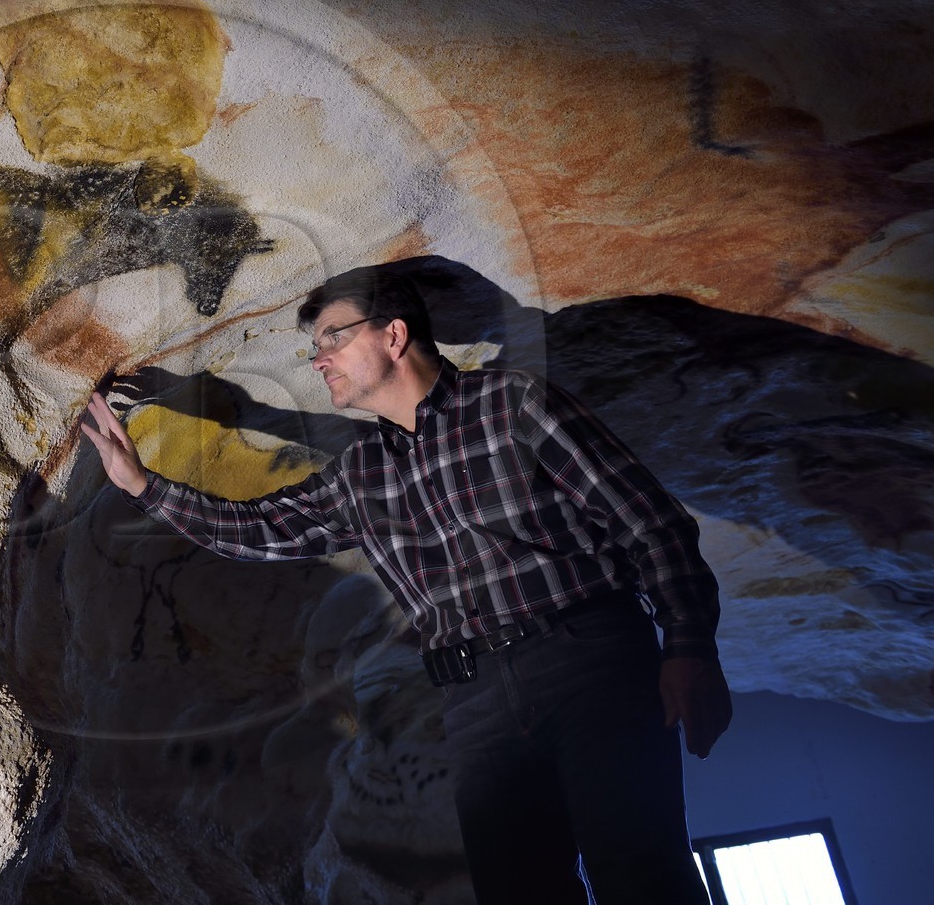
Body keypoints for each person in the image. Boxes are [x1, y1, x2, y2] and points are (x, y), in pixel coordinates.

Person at [80, 262, 732, 905]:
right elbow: (260, 531)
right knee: (519, 890)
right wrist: (142, 485)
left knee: (642, 874)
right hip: (473, 700)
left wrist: (689, 648)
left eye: (333, 337)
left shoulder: (514, 403)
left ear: (393, 336)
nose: (318, 359)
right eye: (315, 347)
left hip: (587, 663)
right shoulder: (360, 472)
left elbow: (651, 526)